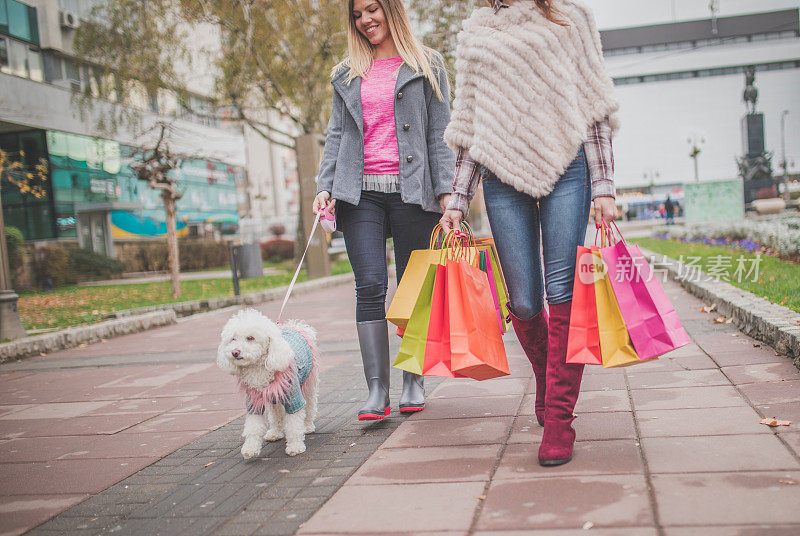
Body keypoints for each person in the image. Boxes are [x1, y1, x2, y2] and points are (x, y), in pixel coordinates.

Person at [440, 0, 619, 466]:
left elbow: (593, 103)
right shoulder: (477, 30)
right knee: (522, 300)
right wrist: (457, 200)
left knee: (562, 291)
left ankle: (560, 419)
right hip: (501, 177)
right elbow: (470, 125)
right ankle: (547, 373)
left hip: (569, 169)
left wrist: (604, 185)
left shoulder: (568, 16)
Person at [313, 0, 454, 421]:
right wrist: (325, 186)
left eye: (372, 10)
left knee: (412, 286)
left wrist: (447, 193)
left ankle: (413, 377)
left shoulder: (427, 64)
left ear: (391, 10)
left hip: (414, 192)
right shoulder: (346, 71)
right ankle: (377, 389)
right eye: (357, 15)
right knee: (370, 285)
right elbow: (337, 133)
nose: (365, 20)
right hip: (360, 195)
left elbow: (439, 131)